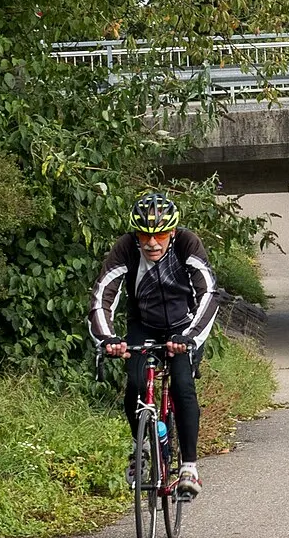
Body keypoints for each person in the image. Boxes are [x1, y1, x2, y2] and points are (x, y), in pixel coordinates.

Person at [89, 191, 221, 499]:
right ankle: (142, 447)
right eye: (145, 235)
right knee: (135, 383)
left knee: (183, 386)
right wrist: (108, 339)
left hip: (183, 327)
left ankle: (189, 467)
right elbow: (102, 296)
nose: (152, 243)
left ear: (172, 232)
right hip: (143, 325)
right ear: (136, 235)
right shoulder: (126, 248)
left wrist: (189, 337)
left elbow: (209, 293)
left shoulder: (188, 243)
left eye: (160, 235)